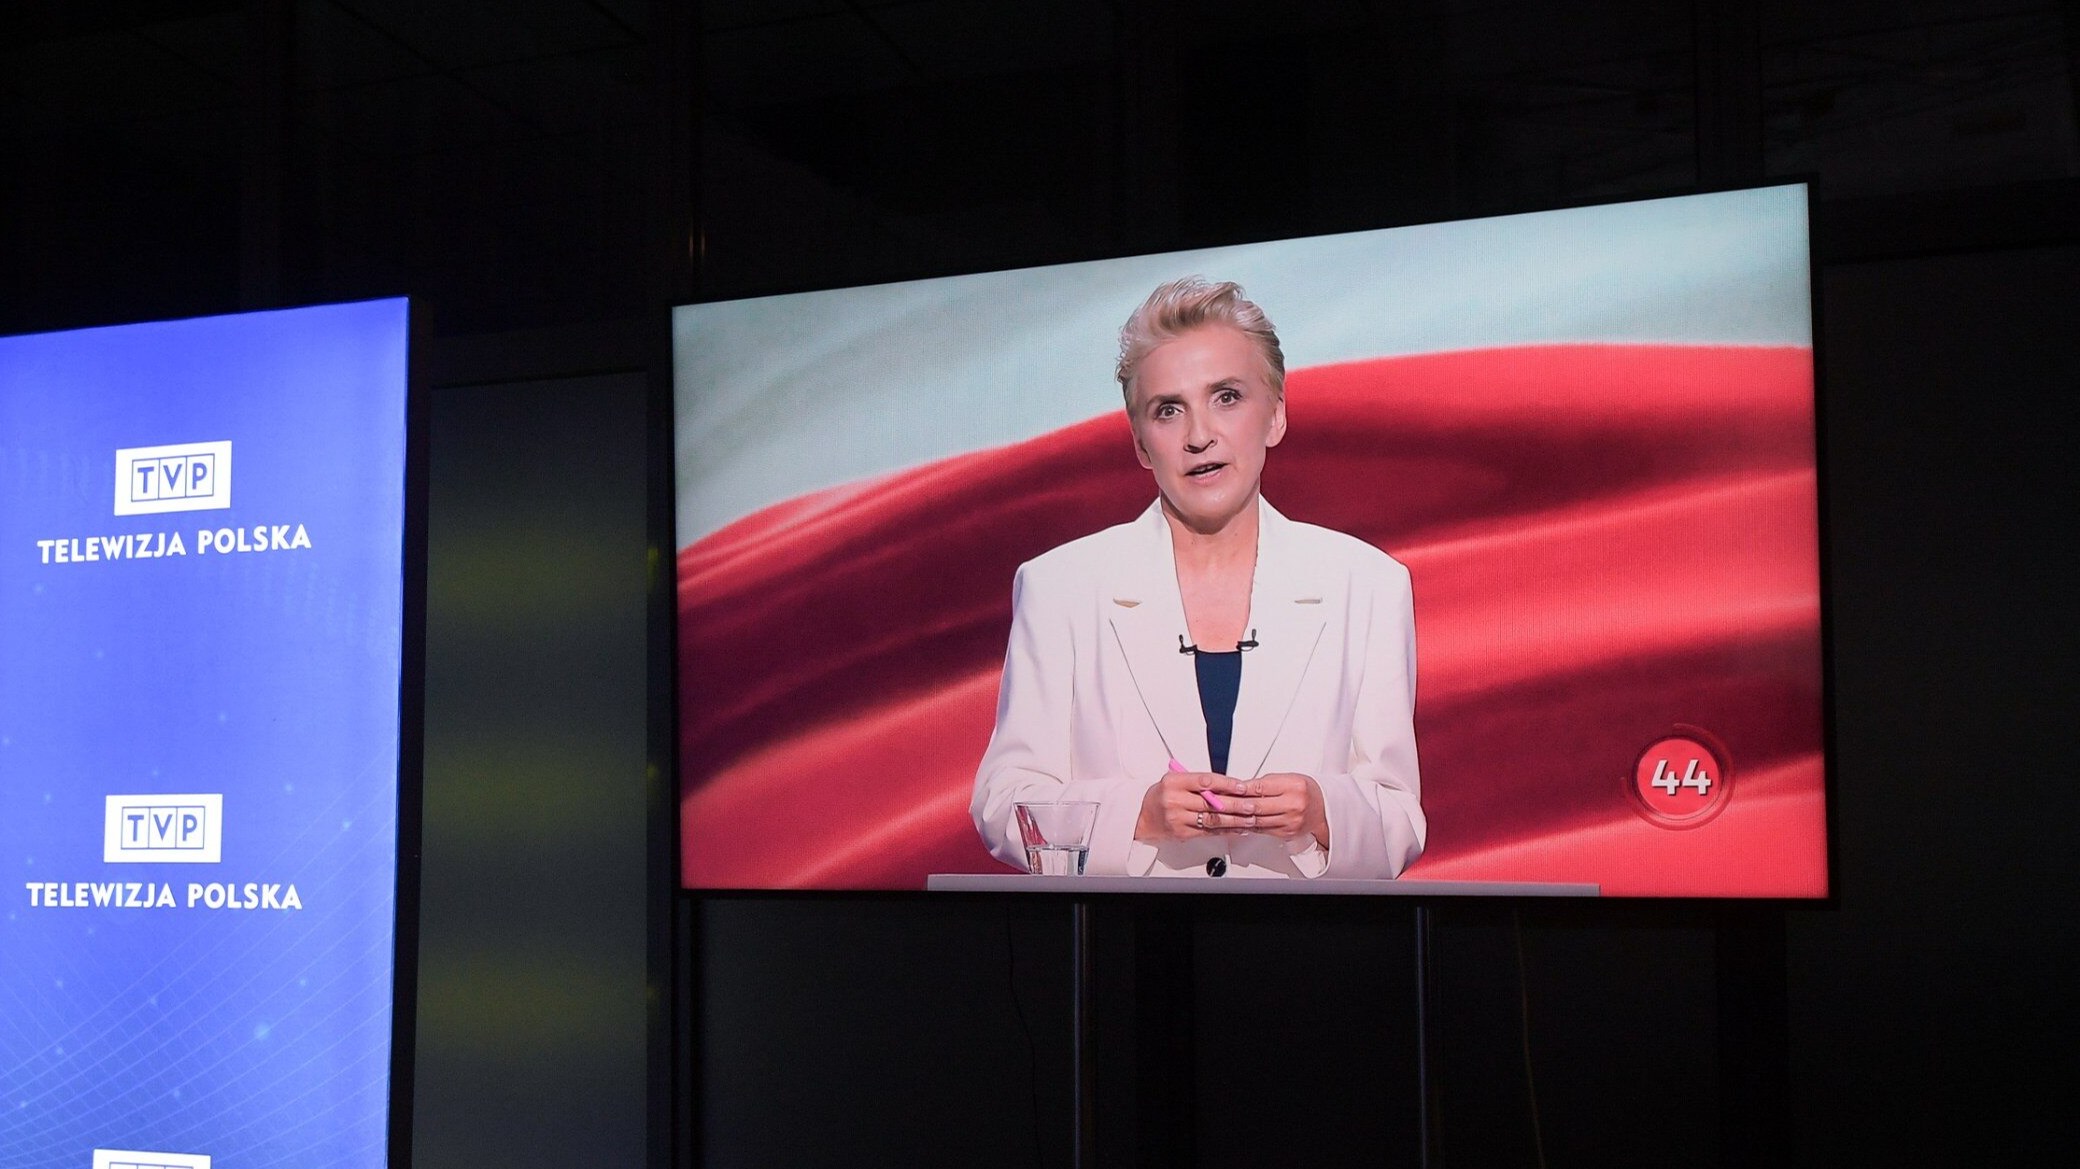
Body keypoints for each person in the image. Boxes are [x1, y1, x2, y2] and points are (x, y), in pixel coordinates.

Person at [970, 277, 1424, 878]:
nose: (1199, 435)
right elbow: (1003, 807)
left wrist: (1322, 811)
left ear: (1276, 416)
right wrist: (1136, 814)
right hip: (1126, 949)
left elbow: (1400, 818)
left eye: (1227, 397)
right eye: (1168, 410)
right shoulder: (1060, 587)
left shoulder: (1368, 585)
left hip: (1304, 947)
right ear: (1140, 443)